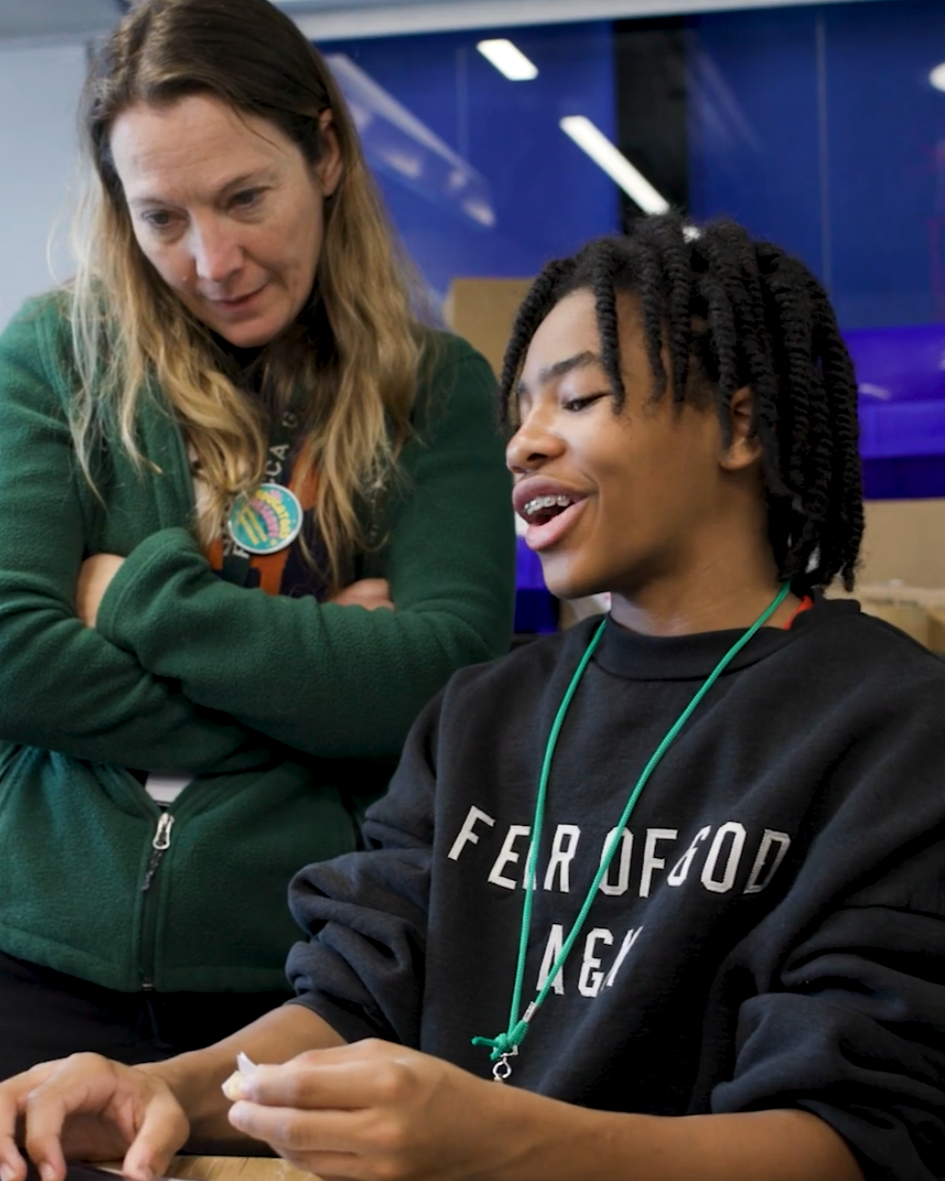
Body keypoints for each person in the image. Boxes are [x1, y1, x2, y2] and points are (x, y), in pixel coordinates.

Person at [4, 214, 945, 1181]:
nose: (524, 444)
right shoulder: (481, 713)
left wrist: (494, 1138)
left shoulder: (889, 724)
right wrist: (163, 1086)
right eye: (520, 413)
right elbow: (357, 998)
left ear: (740, 425)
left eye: (579, 399)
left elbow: (861, 1137)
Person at [0, 0, 515, 1078]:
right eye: (161, 217)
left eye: (245, 198)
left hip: (309, 982)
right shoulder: (54, 355)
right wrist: (313, 690)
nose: (211, 258)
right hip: (31, 963)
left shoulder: (435, 390)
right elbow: (10, 653)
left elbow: (444, 681)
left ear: (324, 152)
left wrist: (140, 600)